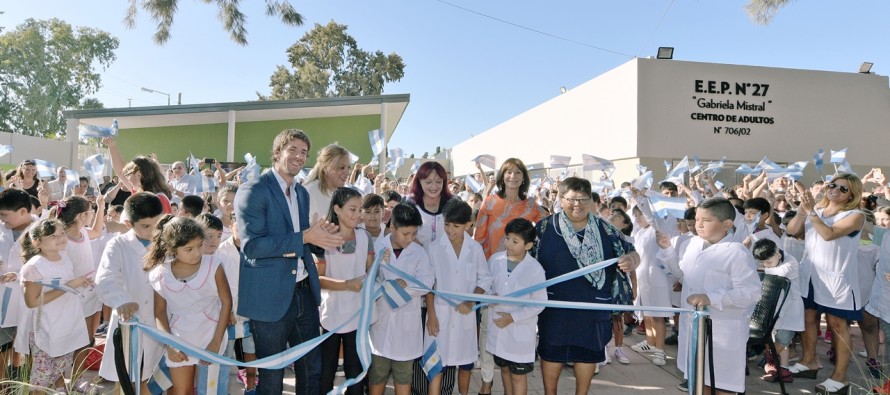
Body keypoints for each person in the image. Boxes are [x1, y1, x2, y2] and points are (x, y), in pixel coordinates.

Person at [234, 129, 343, 395]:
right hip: (270, 297)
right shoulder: (254, 190)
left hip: (304, 292)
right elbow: (252, 246)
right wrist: (305, 236)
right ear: (277, 152)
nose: (298, 156)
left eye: (303, 152)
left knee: (311, 369)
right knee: (271, 377)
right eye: (292, 149)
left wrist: (320, 238)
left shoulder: (301, 194)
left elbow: (301, 239)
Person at [533, 177, 639, 395]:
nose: (577, 205)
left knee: (588, 353)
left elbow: (634, 252)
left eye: (583, 199)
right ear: (560, 200)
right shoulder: (544, 227)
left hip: (594, 305)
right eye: (571, 199)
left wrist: (631, 260)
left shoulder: (607, 229)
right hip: (555, 305)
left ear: (591, 201)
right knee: (551, 352)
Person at [785, 174, 866, 394]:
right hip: (810, 274)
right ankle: (809, 361)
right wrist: (804, 208)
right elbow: (792, 230)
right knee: (808, 317)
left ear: (852, 194)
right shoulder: (816, 210)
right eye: (833, 185)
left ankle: (840, 376)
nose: (835, 190)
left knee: (837, 325)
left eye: (843, 189)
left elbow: (829, 235)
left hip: (836, 279)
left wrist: (811, 211)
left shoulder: (855, 215)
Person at [672, 197, 762, 394]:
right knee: (698, 381)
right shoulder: (693, 244)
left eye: (706, 220)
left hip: (723, 329)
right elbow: (683, 274)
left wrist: (711, 298)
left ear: (727, 224)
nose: (699, 225)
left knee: (722, 385)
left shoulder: (737, 252)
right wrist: (666, 251)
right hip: (694, 327)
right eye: (697, 219)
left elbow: (751, 292)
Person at [472, 158, 544, 394]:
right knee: (487, 332)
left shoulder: (532, 206)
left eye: (517, 172)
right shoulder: (490, 201)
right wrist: (481, 276)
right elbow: (479, 237)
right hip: (492, 272)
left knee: (510, 332)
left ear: (524, 177)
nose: (512, 176)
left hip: (519, 279)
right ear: (502, 176)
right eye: (508, 172)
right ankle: (486, 380)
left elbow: (547, 227)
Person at [145, 215, 231, 395]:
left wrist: (215, 342)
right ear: (172, 249)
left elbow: (226, 302)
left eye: (200, 245)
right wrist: (169, 345)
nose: (197, 253)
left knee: (209, 390)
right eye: (189, 249)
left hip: (211, 334)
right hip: (179, 339)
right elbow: (159, 313)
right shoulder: (159, 274)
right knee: (181, 391)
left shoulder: (213, 265)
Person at [94, 193, 166, 392]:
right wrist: (122, 300)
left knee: (155, 379)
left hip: (161, 321)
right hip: (129, 321)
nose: (153, 231)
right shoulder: (117, 245)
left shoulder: (168, 243)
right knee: (126, 378)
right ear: (128, 223)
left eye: (157, 224)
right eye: (145, 226)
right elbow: (105, 278)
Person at [425, 199, 490, 395]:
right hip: (440, 315)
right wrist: (432, 316)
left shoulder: (475, 248)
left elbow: (484, 279)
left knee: (465, 366)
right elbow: (428, 285)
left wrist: (471, 300)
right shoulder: (435, 248)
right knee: (437, 366)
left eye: (456, 226)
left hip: (465, 316)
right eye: (447, 225)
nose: (450, 230)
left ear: (468, 225)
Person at [19, 219, 91, 394]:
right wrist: (69, 286)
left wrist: (79, 283)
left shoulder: (64, 256)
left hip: (66, 325)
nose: (60, 238)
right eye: (53, 236)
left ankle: (60, 389)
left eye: (62, 233)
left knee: (58, 369)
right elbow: (32, 301)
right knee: (41, 379)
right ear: (37, 242)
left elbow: (66, 283)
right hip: (45, 328)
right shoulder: (34, 267)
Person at [369, 202, 434, 395]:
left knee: (404, 376)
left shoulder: (419, 252)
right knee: (378, 374)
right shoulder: (377, 248)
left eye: (414, 234)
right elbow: (367, 281)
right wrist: (384, 286)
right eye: (406, 234)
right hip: (380, 322)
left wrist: (406, 286)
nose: (410, 239)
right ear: (392, 227)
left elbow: (427, 283)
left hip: (407, 326)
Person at [317, 187, 376, 395]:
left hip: (357, 316)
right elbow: (318, 279)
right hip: (331, 316)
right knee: (326, 372)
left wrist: (379, 264)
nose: (358, 215)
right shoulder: (323, 238)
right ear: (337, 209)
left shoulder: (364, 237)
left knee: (355, 372)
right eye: (352, 209)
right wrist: (346, 284)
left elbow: (370, 271)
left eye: (360, 209)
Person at [486, 218, 545, 395]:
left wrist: (512, 318)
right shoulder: (495, 260)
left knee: (518, 375)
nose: (509, 244)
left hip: (519, 331)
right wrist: (489, 297)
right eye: (507, 238)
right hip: (497, 327)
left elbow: (539, 303)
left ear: (528, 245)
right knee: (504, 370)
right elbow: (487, 285)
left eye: (515, 241)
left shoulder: (535, 269)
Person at [49, 195, 106, 378]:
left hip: (88, 292)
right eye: (91, 212)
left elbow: (97, 231)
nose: (92, 215)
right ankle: (59, 379)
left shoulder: (84, 233)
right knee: (69, 338)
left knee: (87, 338)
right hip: (71, 294)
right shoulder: (62, 239)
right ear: (81, 216)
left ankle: (76, 378)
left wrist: (101, 206)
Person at [214, 211, 258, 394]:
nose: (242, 229)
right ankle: (222, 390)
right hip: (228, 313)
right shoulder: (220, 251)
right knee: (226, 355)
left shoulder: (257, 248)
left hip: (252, 311)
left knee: (251, 353)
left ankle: (251, 386)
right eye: (238, 224)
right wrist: (227, 310)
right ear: (231, 225)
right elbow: (216, 286)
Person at [753, 238, 804, 383]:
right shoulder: (773, 262)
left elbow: (779, 272)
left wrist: (762, 269)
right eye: (762, 263)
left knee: (783, 340)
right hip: (774, 308)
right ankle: (783, 370)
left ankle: (770, 358)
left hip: (791, 309)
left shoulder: (790, 262)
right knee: (777, 340)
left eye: (768, 262)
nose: (765, 265)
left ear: (778, 255)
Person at [0, 188, 38, 381]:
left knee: (32, 349)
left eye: (5, 215)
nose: (3, 219)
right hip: (3, 299)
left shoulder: (43, 230)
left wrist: (20, 273)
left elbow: (55, 264)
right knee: (2, 346)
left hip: (31, 300)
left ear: (23, 211)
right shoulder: (1, 228)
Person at [406, 162, 455, 249]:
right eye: (428, 182)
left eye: (439, 182)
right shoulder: (410, 203)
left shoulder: (453, 202)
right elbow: (401, 231)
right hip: (417, 258)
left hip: (447, 259)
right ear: (419, 181)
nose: (434, 186)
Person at [302, 143, 352, 222]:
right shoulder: (309, 192)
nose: (347, 172)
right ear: (326, 168)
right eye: (341, 168)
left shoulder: (346, 194)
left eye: (348, 167)